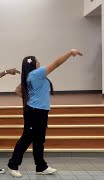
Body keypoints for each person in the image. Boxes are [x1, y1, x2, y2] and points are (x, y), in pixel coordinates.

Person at [7, 49, 83, 177]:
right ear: (32, 64)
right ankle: (12, 165)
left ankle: (41, 167)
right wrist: (70, 53)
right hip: (34, 112)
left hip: (39, 111)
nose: (38, 61)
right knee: (26, 138)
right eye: (36, 60)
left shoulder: (30, 75)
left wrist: (30, 99)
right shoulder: (37, 73)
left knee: (39, 140)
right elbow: (56, 64)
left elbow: (17, 90)